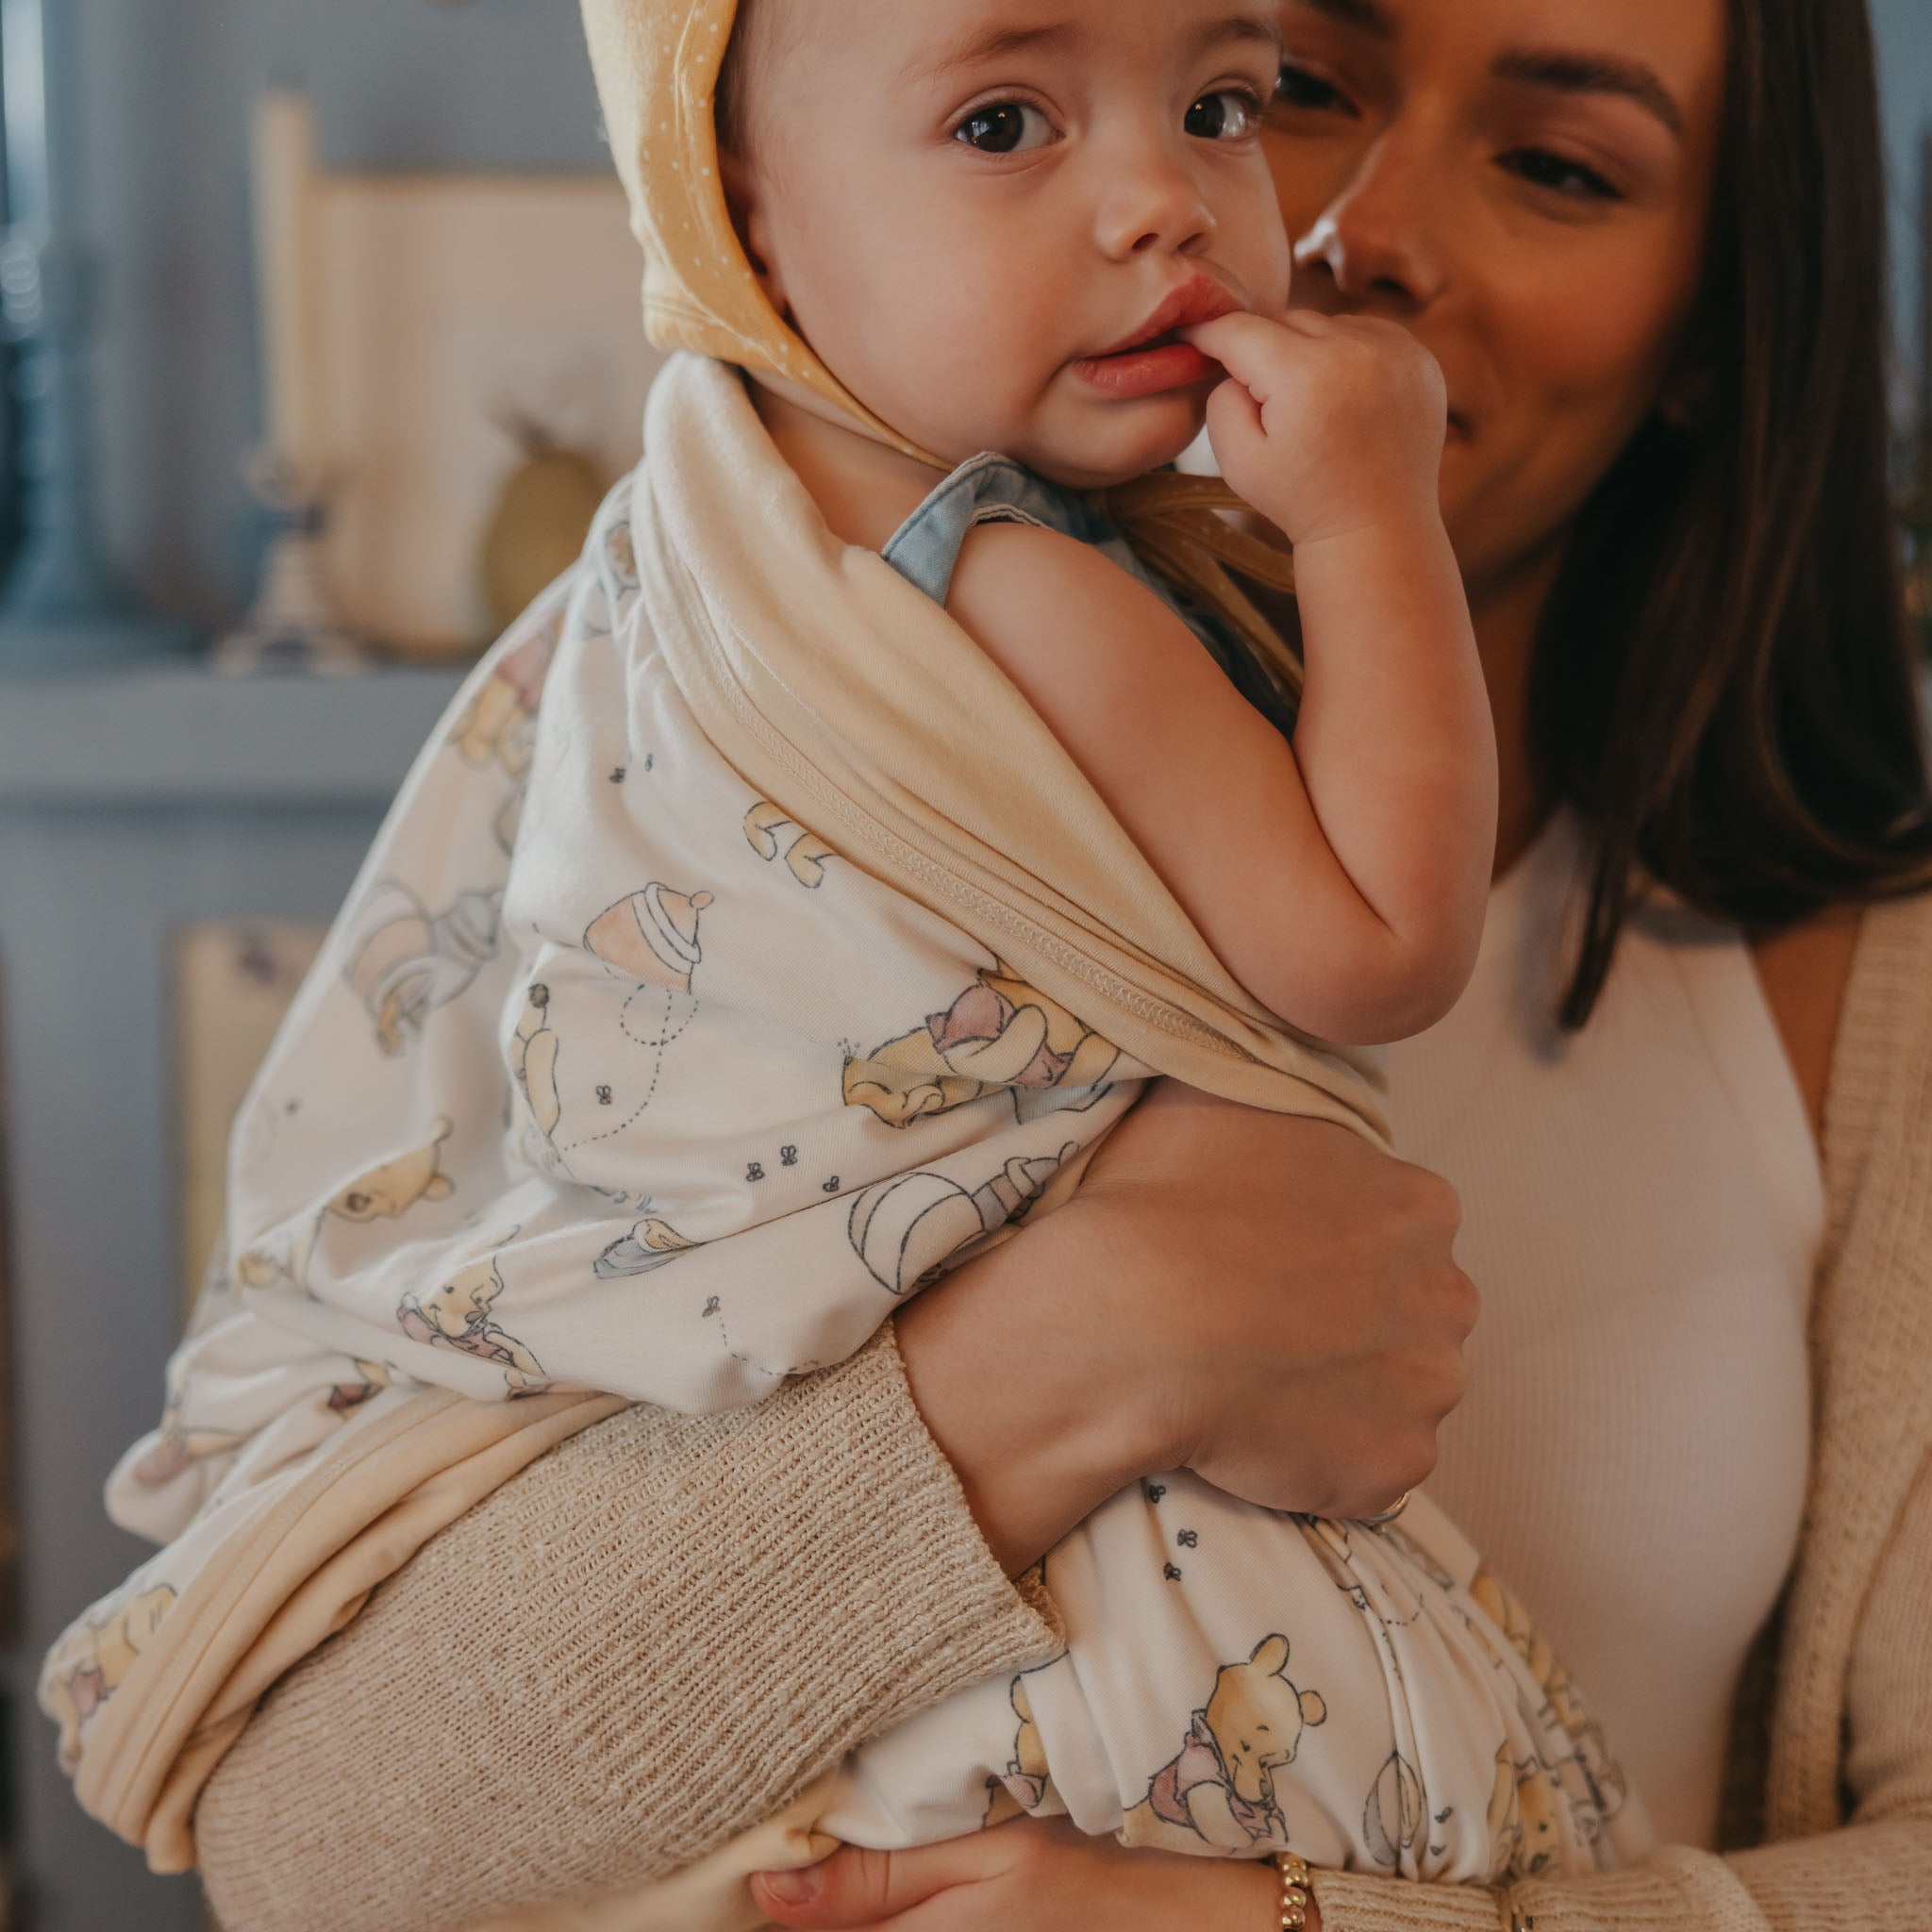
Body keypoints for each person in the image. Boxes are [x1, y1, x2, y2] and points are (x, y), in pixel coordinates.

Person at [184, 0, 1932, 1928]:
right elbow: (296, 1855)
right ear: (752, 212)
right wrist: (1086, 1344)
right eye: (1309, 91)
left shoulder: (1875, 997)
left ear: (1722, 310)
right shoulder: (730, 684)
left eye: (1557, 166)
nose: (1339, 232)